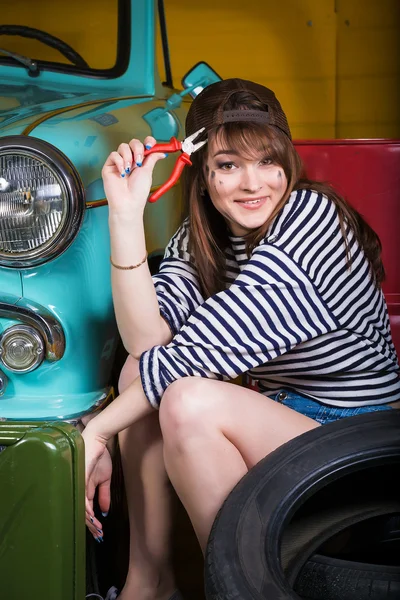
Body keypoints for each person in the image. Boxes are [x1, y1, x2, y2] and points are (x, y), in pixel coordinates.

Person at [83, 78, 400, 600]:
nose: (253, 184)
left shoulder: (313, 220)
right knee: (142, 376)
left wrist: (96, 432)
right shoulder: (204, 234)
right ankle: (152, 583)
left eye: (267, 162)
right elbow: (148, 344)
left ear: (288, 164)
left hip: (360, 446)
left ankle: (241, 589)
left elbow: (199, 353)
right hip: (286, 425)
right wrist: (125, 213)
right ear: (203, 174)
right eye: (229, 165)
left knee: (188, 400)